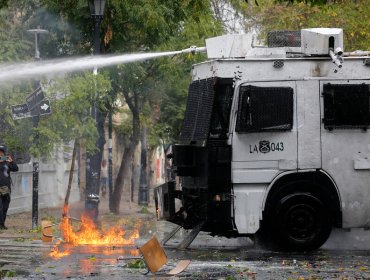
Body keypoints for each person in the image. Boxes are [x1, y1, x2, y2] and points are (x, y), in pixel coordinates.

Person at [0, 145, 18, 230]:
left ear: (4, 153)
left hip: (5, 188)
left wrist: (11, 162)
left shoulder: (7, 162)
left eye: (1, 152)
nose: (0, 154)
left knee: (5, 207)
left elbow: (15, 169)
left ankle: (2, 224)